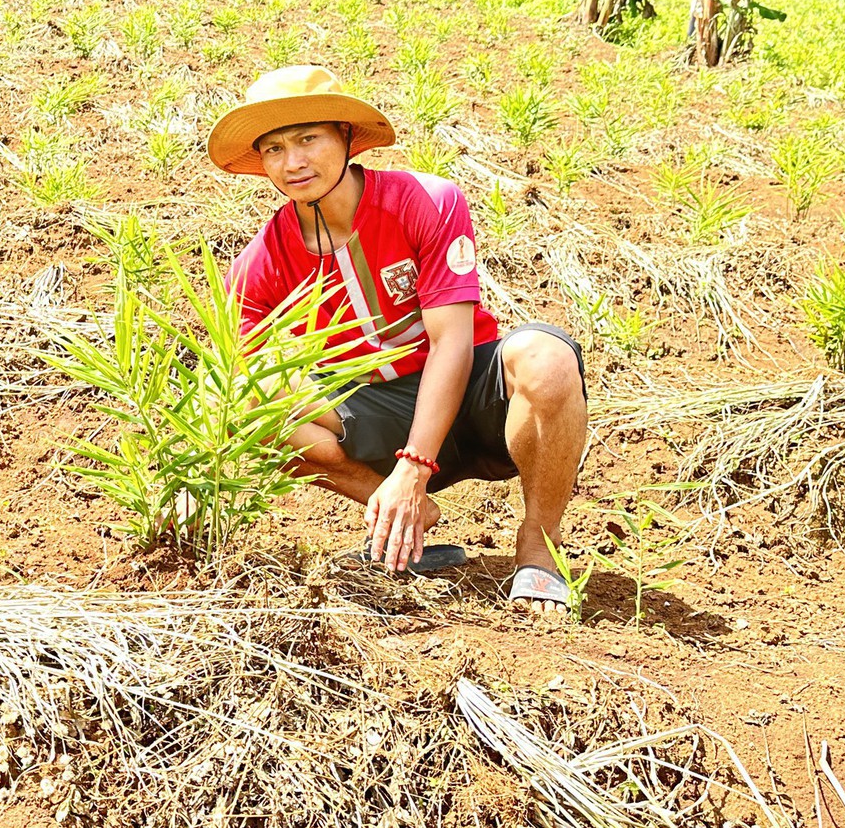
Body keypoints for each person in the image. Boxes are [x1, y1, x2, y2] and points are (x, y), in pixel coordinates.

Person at [208, 65, 589, 613]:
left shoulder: (425, 201)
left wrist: (415, 466)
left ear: (344, 135)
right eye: (273, 149)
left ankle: (538, 548)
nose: (292, 163)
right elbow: (237, 376)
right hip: (375, 412)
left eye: (307, 139)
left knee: (547, 359)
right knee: (239, 401)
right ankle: (395, 512)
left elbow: (452, 342)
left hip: (471, 398)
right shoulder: (260, 263)